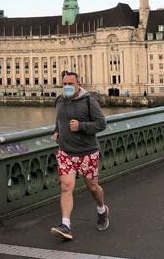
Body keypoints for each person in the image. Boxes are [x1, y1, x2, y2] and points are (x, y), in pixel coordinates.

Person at [50, 71, 109, 240]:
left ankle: (101, 209)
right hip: (65, 152)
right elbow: (59, 119)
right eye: (64, 84)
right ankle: (66, 225)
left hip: (87, 152)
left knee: (92, 187)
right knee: (66, 187)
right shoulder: (60, 100)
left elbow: (101, 124)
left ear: (78, 84)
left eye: (70, 83)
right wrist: (56, 131)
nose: (67, 87)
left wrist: (81, 126)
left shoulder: (89, 100)